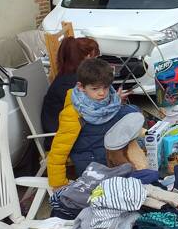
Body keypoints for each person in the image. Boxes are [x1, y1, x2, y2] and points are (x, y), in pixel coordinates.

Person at [47, 58, 140, 189]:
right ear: (81, 87)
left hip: (112, 158)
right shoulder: (73, 113)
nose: (102, 93)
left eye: (106, 87)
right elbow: (58, 151)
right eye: (95, 88)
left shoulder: (111, 101)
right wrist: (58, 184)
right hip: (91, 168)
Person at [41, 37, 100, 136]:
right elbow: (88, 112)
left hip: (71, 130)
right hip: (63, 136)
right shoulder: (69, 84)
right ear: (87, 57)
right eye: (95, 58)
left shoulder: (69, 77)